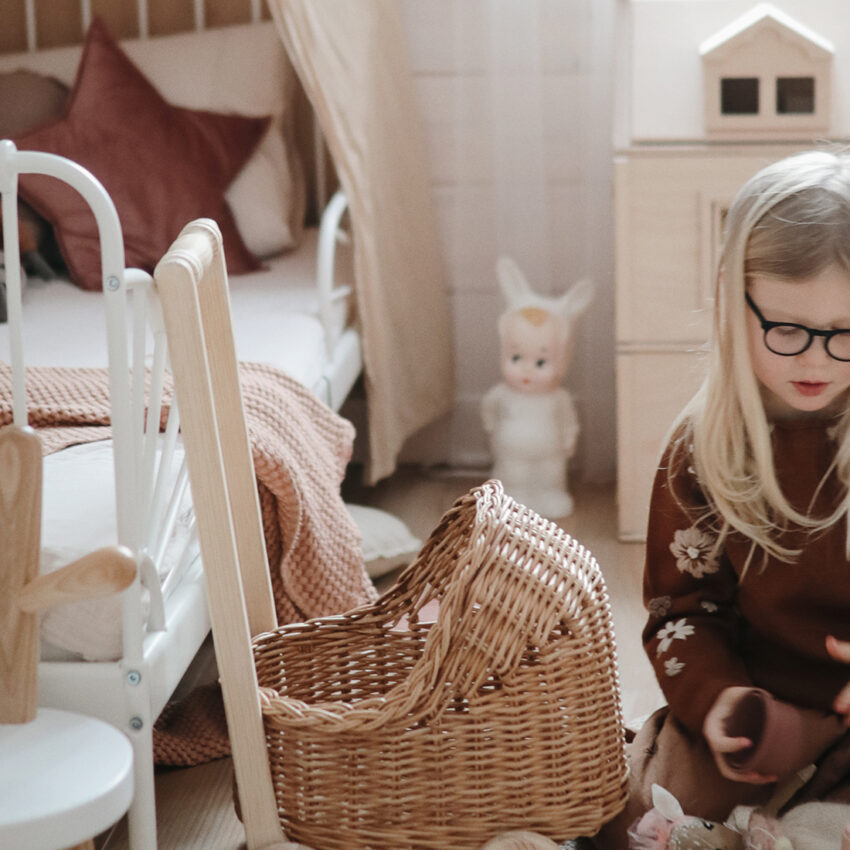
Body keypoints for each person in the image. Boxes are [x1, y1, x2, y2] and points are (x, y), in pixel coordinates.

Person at [596, 148, 850, 849]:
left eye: (845, 332)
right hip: (757, 710)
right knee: (643, 810)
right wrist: (720, 703)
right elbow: (682, 610)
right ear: (732, 302)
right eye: (787, 329)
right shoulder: (702, 448)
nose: (815, 358)